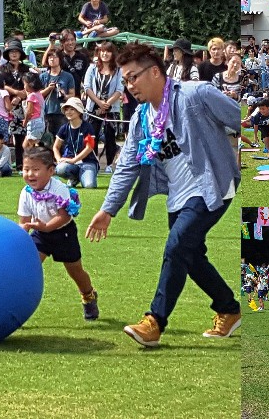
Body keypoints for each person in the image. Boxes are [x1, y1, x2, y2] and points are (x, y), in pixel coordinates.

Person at [85, 42, 241, 347]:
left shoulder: (196, 94)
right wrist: (108, 210)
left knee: (177, 245)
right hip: (177, 196)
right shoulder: (140, 119)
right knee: (191, 256)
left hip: (212, 187)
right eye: (125, 80)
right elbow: (127, 166)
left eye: (133, 77)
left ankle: (155, 321)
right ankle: (228, 308)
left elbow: (237, 117)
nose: (129, 86)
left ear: (155, 71)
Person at [18, 146, 99, 321]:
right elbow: (23, 221)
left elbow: (63, 216)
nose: (30, 174)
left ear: (51, 171)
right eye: (26, 169)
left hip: (64, 234)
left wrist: (46, 226)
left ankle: (88, 295)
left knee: (75, 271)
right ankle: (17, 305)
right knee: (28, 267)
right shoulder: (25, 193)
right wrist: (23, 231)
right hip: (40, 234)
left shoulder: (59, 188)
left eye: (36, 169)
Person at [83, 41, 124, 173]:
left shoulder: (118, 70)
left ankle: (109, 164)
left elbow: (120, 88)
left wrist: (108, 103)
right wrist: (99, 102)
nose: (105, 54)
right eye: (102, 51)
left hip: (111, 108)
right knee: (91, 135)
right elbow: (87, 87)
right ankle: (93, 162)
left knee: (109, 136)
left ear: (113, 54)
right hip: (93, 107)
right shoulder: (92, 68)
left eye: (108, 51)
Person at [53, 97, 98, 188]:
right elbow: (55, 147)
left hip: (87, 162)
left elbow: (89, 148)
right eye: (66, 109)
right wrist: (59, 160)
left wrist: (74, 160)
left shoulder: (87, 127)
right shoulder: (64, 128)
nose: (68, 112)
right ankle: (74, 178)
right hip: (70, 162)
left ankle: (86, 175)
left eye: (72, 109)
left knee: (89, 185)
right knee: (60, 168)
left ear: (79, 111)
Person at [0, 39, 30, 171]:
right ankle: (10, 164)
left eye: (16, 51)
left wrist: (19, 96)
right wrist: (15, 93)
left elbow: (30, 86)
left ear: (20, 53)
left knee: (24, 136)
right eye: (11, 51)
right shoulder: (3, 68)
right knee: (10, 136)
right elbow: (2, 85)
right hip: (7, 104)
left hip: (23, 105)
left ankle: (23, 164)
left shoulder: (26, 68)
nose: (13, 54)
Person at [42, 30, 89, 99]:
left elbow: (86, 77)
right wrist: (51, 44)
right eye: (67, 40)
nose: (70, 43)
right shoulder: (58, 55)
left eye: (72, 40)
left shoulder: (82, 57)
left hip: (76, 96)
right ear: (62, 42)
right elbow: (44, 63)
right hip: (59, 95)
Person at [40, 47, 76, 136]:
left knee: (61, 139)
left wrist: (65, 95)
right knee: (46, 141)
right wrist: (48, 89)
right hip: (46, 112)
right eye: (50, 57)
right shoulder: (43, 76)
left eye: (55, 57)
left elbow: (73, 94)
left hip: (62, 112)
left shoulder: (68, 76)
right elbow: (38, 95)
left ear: (60, 59)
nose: (52, 59)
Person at [21, 72, 46, 150]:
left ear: (30, 84)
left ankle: (37, 160)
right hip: (40, 120)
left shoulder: (31, 96)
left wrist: (25, 122)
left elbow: (29, 112)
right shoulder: (38, 94)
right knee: (26, 145)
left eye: (25, 84)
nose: (24, 87)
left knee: (32, 147)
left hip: (34, 122)